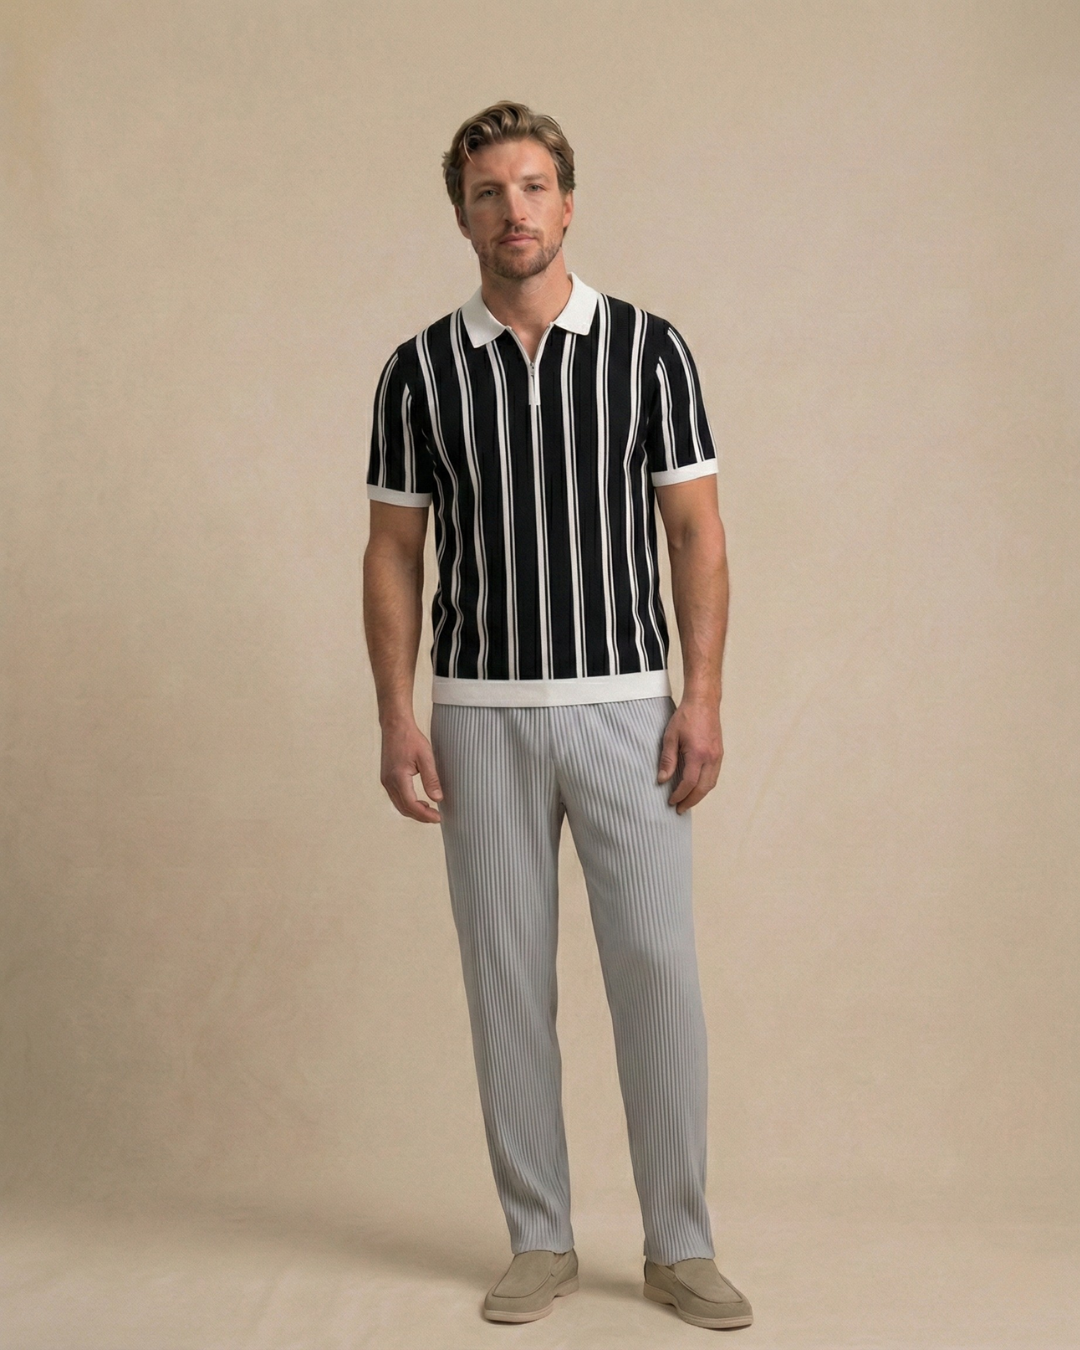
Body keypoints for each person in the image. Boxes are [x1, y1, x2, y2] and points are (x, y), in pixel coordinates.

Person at [362, 100, 752, 1331]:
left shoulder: (651, 352)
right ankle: (539, 1239)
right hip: (477, 716)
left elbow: (696, 533)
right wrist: (397, 716)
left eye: (532, 187)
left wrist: (702, 699)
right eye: (488, 192)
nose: (513, 210)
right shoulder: (419, 371)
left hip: (627, 709)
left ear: (568, 205)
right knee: (504, 983)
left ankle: (680, 1244)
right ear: (462, 216)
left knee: (657, 975)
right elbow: (393, 552)